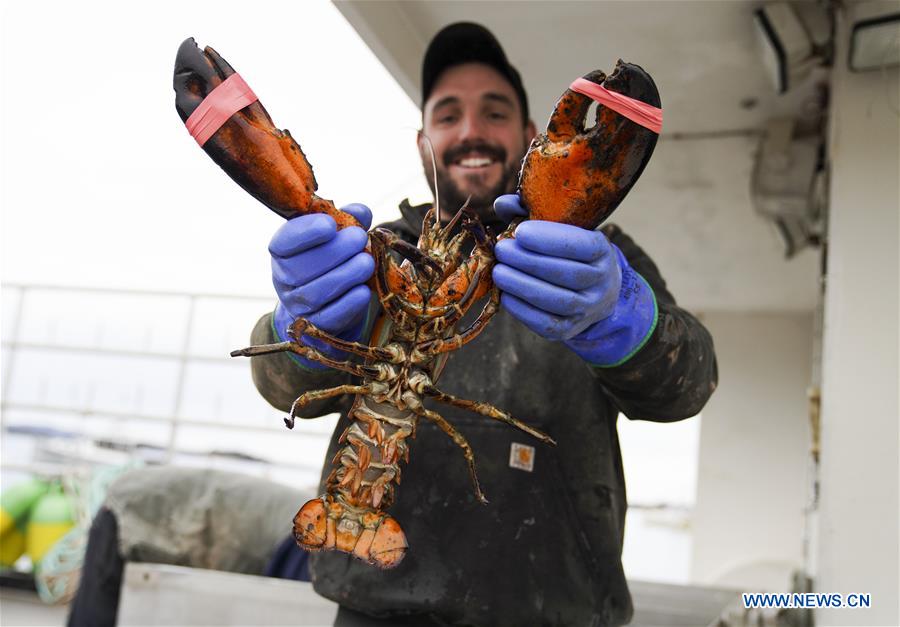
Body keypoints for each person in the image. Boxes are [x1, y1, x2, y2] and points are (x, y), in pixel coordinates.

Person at [251, 21, 716, 627]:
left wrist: (626, 322)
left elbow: (687, 386)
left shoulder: (594, 258)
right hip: (377, 601)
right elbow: (284, 390)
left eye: (494, 113)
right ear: (424, 143)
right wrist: (297, 334)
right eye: (449, 116)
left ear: (529, 137)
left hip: (559, 609)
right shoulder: (370, 252)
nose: (471, 131)